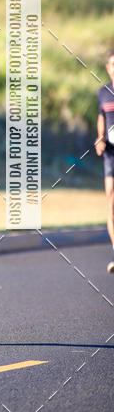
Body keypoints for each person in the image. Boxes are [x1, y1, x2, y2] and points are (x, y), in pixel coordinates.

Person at [95, 49, 114, 273]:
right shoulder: (103, 93)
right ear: (108, 68)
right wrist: (100, 137)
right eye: (113, 65)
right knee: (111, 200)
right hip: (111, 153)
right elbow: (101, 117)